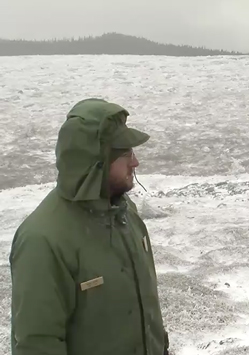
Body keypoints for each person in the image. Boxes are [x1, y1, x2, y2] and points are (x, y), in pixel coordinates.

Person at [9, 98, 170, 355]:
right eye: (125, 153)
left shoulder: (125, 213)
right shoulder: (43, 240)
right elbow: (37, 344)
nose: (136, 162)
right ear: (98, 162)